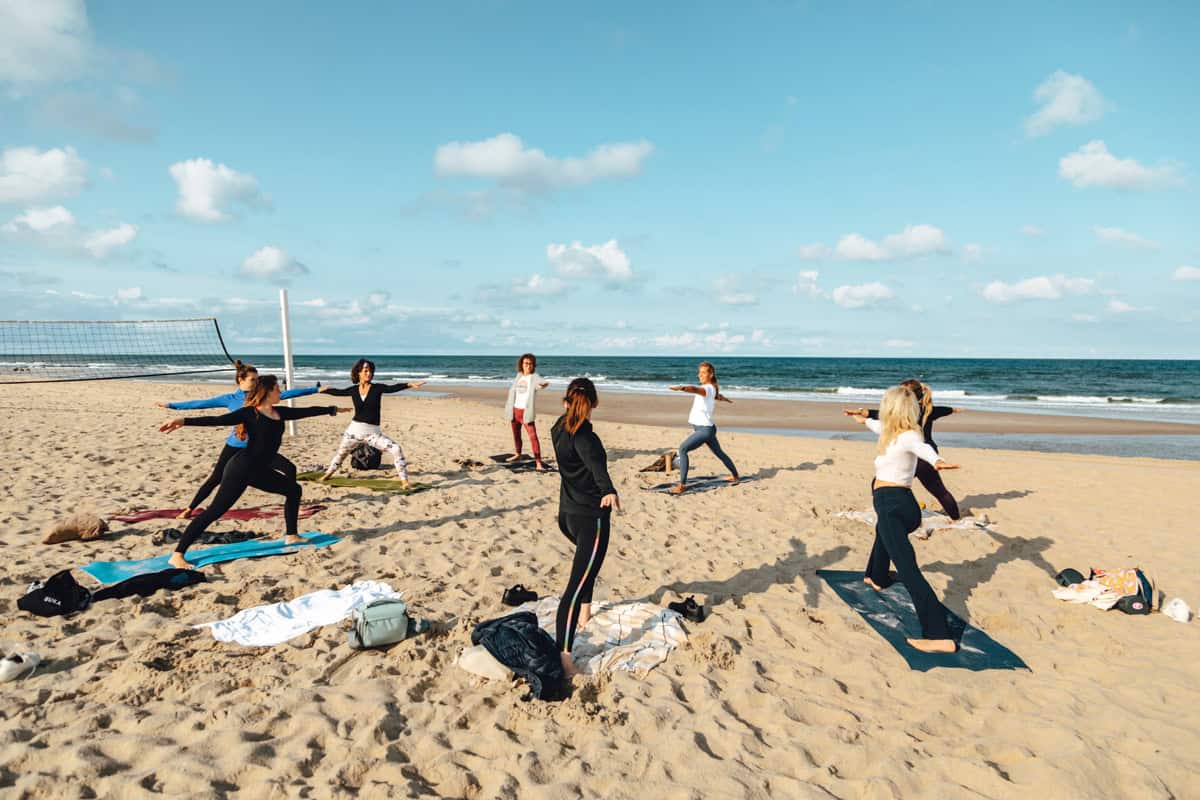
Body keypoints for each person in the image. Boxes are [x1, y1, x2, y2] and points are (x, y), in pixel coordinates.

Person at [159, 375, 350, 569]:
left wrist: (331, 410)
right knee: (216, 510)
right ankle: (178, 554)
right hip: (241, 469)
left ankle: (291, 535)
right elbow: (217, 419)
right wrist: (183, 420)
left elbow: (306, 411)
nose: (280, 392)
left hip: (259, 469)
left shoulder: (279, 412)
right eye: (277, 389)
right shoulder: (250, 413)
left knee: (293, 490)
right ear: (267, 391)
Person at [845, 386, 961, 653]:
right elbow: (874, 425)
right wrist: (861, 419)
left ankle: (939, 636)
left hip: (895, 505)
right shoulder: (890, 433)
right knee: (882, 534)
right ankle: (876, 577)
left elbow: (923, 449)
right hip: (895, 505)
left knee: (909, 570)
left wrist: (938, 461)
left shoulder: (909, 435)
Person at [156, 360, 326, 519]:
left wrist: (315, 390)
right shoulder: (229, 399)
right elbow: (201, 403)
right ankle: (190, 508)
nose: (257, 382)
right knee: (216, 478)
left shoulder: (261, 395)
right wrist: (172, 405)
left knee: (289, 468)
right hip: (236, 446)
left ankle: (291, 502)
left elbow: (288, 393)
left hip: (259, 450)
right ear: (241, 379)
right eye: (253, 379)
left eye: (258, 379)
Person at [550, 378, 620, 676]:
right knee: (574, 588)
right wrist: (609, 490)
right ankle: (565, 657)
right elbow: (596, 467)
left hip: (566, 516)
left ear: (566, 402)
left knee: (586, 568)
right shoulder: (586, 438)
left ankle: (586, 613)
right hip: (590, 518)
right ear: (595, 403)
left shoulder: (557, 428)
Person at [844, 379, 964, 519]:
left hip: (916, 456)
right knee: (938, 490)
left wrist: (861, 413)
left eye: (903, 393)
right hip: (926, 458)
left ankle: (884, 512)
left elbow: (878, 414)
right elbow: (944, 410)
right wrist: (955, 410)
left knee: (880, 483)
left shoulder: (903, 413)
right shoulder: (929, 410)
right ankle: (956, 518)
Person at [319, 359, 425, 488]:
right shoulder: (353, 390)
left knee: (396, 449)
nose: (369, 373)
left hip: (373, 434)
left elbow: (392, 388)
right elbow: (339, 392)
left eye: (370, 371)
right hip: (353, 432)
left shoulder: (377, 388)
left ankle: (404, 481)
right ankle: (327, 475)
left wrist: (409, 384)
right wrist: (323, 389)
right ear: (358, 373)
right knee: (342, 454)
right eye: (365, 370)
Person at [667, 361, 739, 494]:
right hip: (707, 429)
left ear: (711, 374)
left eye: (703, 372)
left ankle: (682, 485)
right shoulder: (711, 388)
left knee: (683, 449)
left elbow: (695, 389)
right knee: (720, 454)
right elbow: (717, 396)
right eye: (699, 372)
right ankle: (735, 476)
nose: (699, 375)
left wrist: (682, 388)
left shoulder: (707, 388)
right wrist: (725, 399)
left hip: (704, 430)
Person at [503, 353, 550, 470]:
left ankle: (538, 462)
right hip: (514, 410)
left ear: (533, 365)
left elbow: (541, 383)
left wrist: (543, 385)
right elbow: (513, 391)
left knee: (533, 437)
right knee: (516, 435)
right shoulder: (518, 376)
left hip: (526, 412)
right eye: (526, 363)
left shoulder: (534, 377)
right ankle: (518, 454)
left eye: (530, 364)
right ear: (522, 364)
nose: (528, 366)